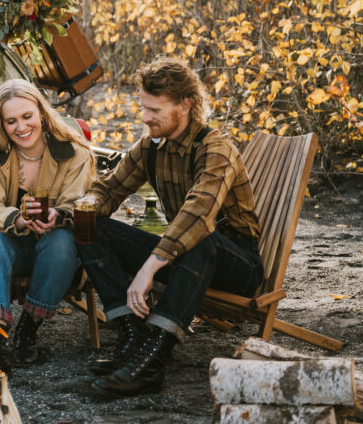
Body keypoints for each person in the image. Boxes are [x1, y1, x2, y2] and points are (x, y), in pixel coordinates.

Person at [76, 56, 264, 396]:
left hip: (237, 265)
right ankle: (134, 336)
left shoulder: (215, 148)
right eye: (144, 108)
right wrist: (85, 206)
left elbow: (198, 212)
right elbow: (109, 187)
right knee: (91, 226)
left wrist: (150, 266)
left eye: (155, 110)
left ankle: (153, 362)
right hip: (183, 256)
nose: (145, 118)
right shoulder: (151, 146)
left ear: (185, 106)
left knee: (201, 236)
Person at [0, 79, 96, 372]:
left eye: (27, 116)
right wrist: (15, 218)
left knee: (63, 242)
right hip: (6, 249)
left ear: (42, 113)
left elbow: (79, 202)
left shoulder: (73, 152)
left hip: (53, 249)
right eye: (11, 121)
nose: (20, 127)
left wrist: (58, 215)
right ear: (1, 123)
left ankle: (29, 327)